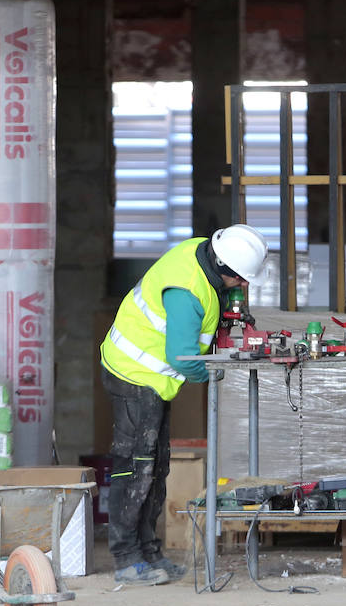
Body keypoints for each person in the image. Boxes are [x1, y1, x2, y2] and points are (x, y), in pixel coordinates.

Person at [99, 224, 269, 586]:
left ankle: (149, 552)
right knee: (136, 469)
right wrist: (214, 374)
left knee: (156, 468)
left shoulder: (203, 254)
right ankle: (127, 559)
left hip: (151, 378)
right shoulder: (186, 292)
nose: (242, 286)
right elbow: (182, 358)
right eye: (239, 280)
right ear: (225, 268)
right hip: (134, 373)